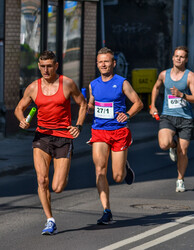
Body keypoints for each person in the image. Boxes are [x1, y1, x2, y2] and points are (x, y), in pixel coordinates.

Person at [14, 50, 87, 235]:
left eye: (49, 66)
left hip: (63, 137)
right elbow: (19, 108)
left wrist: (78, 126)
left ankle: (64, 174)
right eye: (42, 66)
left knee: (58, 187)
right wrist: (22, 120)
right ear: (39, 66)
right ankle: (50, 219)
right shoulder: (33, 87)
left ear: (56, 66)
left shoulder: (67, 84)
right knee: (41, 179)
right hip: (42, 137)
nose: (46, 70)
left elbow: (83, 103)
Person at [87, 47, 143, 224]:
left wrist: (127, 114)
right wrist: (87, 107)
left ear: (113, 63)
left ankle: (124, 167)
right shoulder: (93, 85)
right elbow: (91, 105)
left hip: (118, 132)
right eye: (100, 62)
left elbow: (138, 103)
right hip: (99, 131)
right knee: (99, 170)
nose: (103, 64)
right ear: (97, 64)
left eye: (106, 61)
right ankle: (106, 210)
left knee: (117, 177)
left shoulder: (121, 82)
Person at [150, 46, 194, 192]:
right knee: (164, 144)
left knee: (184, 151)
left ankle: (180, 179)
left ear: (186, 60)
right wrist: (152, 105)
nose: (178, 59)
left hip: (186, 118)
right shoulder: (164, 75)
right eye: (176, 56)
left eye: (181, 57)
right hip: (168, 116)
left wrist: (182, 95)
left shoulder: (190, 76)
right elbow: (156, 87)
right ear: (172, 58)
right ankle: (173, 147)